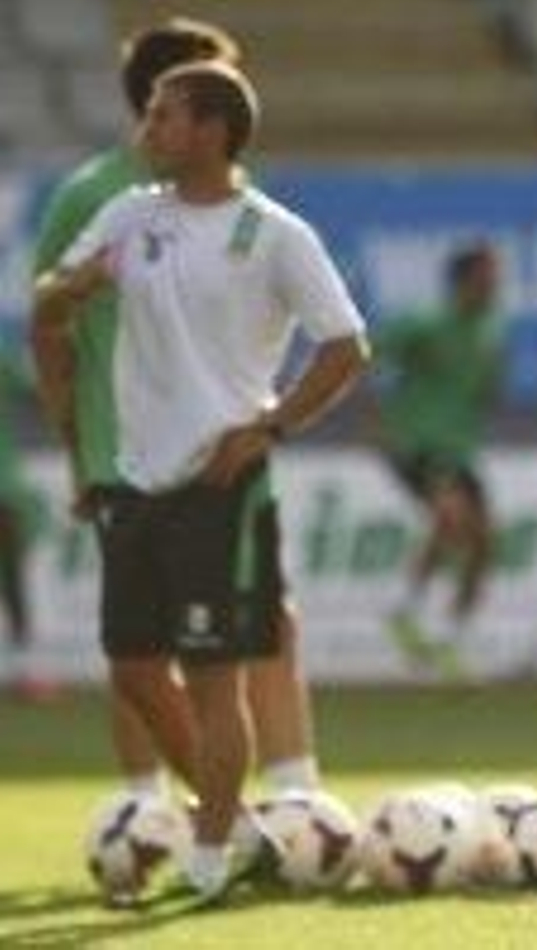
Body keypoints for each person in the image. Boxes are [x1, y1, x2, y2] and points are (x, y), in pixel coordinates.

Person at [32, 60, 369, 901]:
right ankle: (248, 831)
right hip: (132, 478)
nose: (146, 129)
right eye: (149, 115)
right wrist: (70, 286)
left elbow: (345, 346)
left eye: (163, 116)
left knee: (215, 673)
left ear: (212, 131)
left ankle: (212, 855)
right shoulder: (126, 213)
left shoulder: (275, 233)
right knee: (136, 667)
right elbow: (46, 302)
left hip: (220, 482)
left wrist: (270, 427)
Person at [373, 242, 505, 674]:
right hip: (418, 442)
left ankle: (453, 639)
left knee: (484, 541)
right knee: (450, 516)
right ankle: (403, 609)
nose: (496, 284)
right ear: (465, 280)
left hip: (459, 447)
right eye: (488, 275)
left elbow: (486, 391)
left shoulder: (492, 332)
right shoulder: (424, 323)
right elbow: (368, 358)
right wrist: (377, 425)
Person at [0, 349, 51, 701]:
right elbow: (42, 395)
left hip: (5, 489)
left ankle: (25, 670)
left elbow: (39, 393)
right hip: (6, 489)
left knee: (14, 581)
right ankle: (26, 671)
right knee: (14, 581)